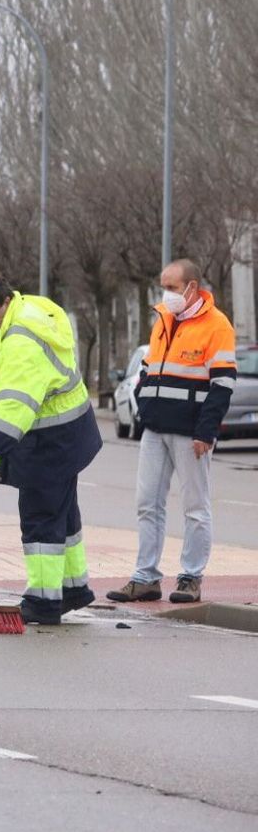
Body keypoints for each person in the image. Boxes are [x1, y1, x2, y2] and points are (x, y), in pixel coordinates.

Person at [0, 269, 102, 625]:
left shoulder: (21, 339)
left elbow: (14, 405)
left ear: (5, 301)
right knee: (62, 515)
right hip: (68, 430)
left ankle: (44, 602)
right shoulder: (27, 311)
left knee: (40, 520)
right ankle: (72, 587)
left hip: (49, 439)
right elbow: (15, 369)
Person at [107, 259, 237, 605]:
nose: (166, 293)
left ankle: (191, 577)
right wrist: (143, 406)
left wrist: (205, 431)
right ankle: (145, 578)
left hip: (191, 432)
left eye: (172, 287)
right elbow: (149, 369)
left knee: (195, 507)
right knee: (147, 504)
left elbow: (222, 385)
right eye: (163, 286)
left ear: (192, 287)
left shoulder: (217, 325)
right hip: (155, 429)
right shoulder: (163, 320)